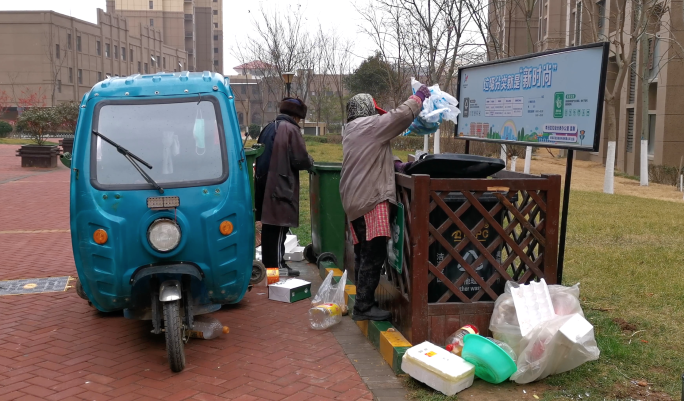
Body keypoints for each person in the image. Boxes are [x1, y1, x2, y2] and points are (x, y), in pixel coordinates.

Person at [339, 87, 431, 321]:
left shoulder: (352, 129)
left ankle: (363, 301)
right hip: (370, 198)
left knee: (362, 252)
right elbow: (399, 116)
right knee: (373, 252)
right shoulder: (368, 126)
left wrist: (398, 165)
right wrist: (417, 98)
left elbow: (375, 154)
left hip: (354, 198)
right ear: (367, 111)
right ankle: (364, 307)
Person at [255, 98, 314, 277]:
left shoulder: (269, 127)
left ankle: (270, 268)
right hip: (279, 184)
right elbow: (300, 158)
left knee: (268, 227)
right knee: (278, 226)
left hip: (263, 183)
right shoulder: (290, 129)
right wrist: (310, 162)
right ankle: (276, 268)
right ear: (296, 116)